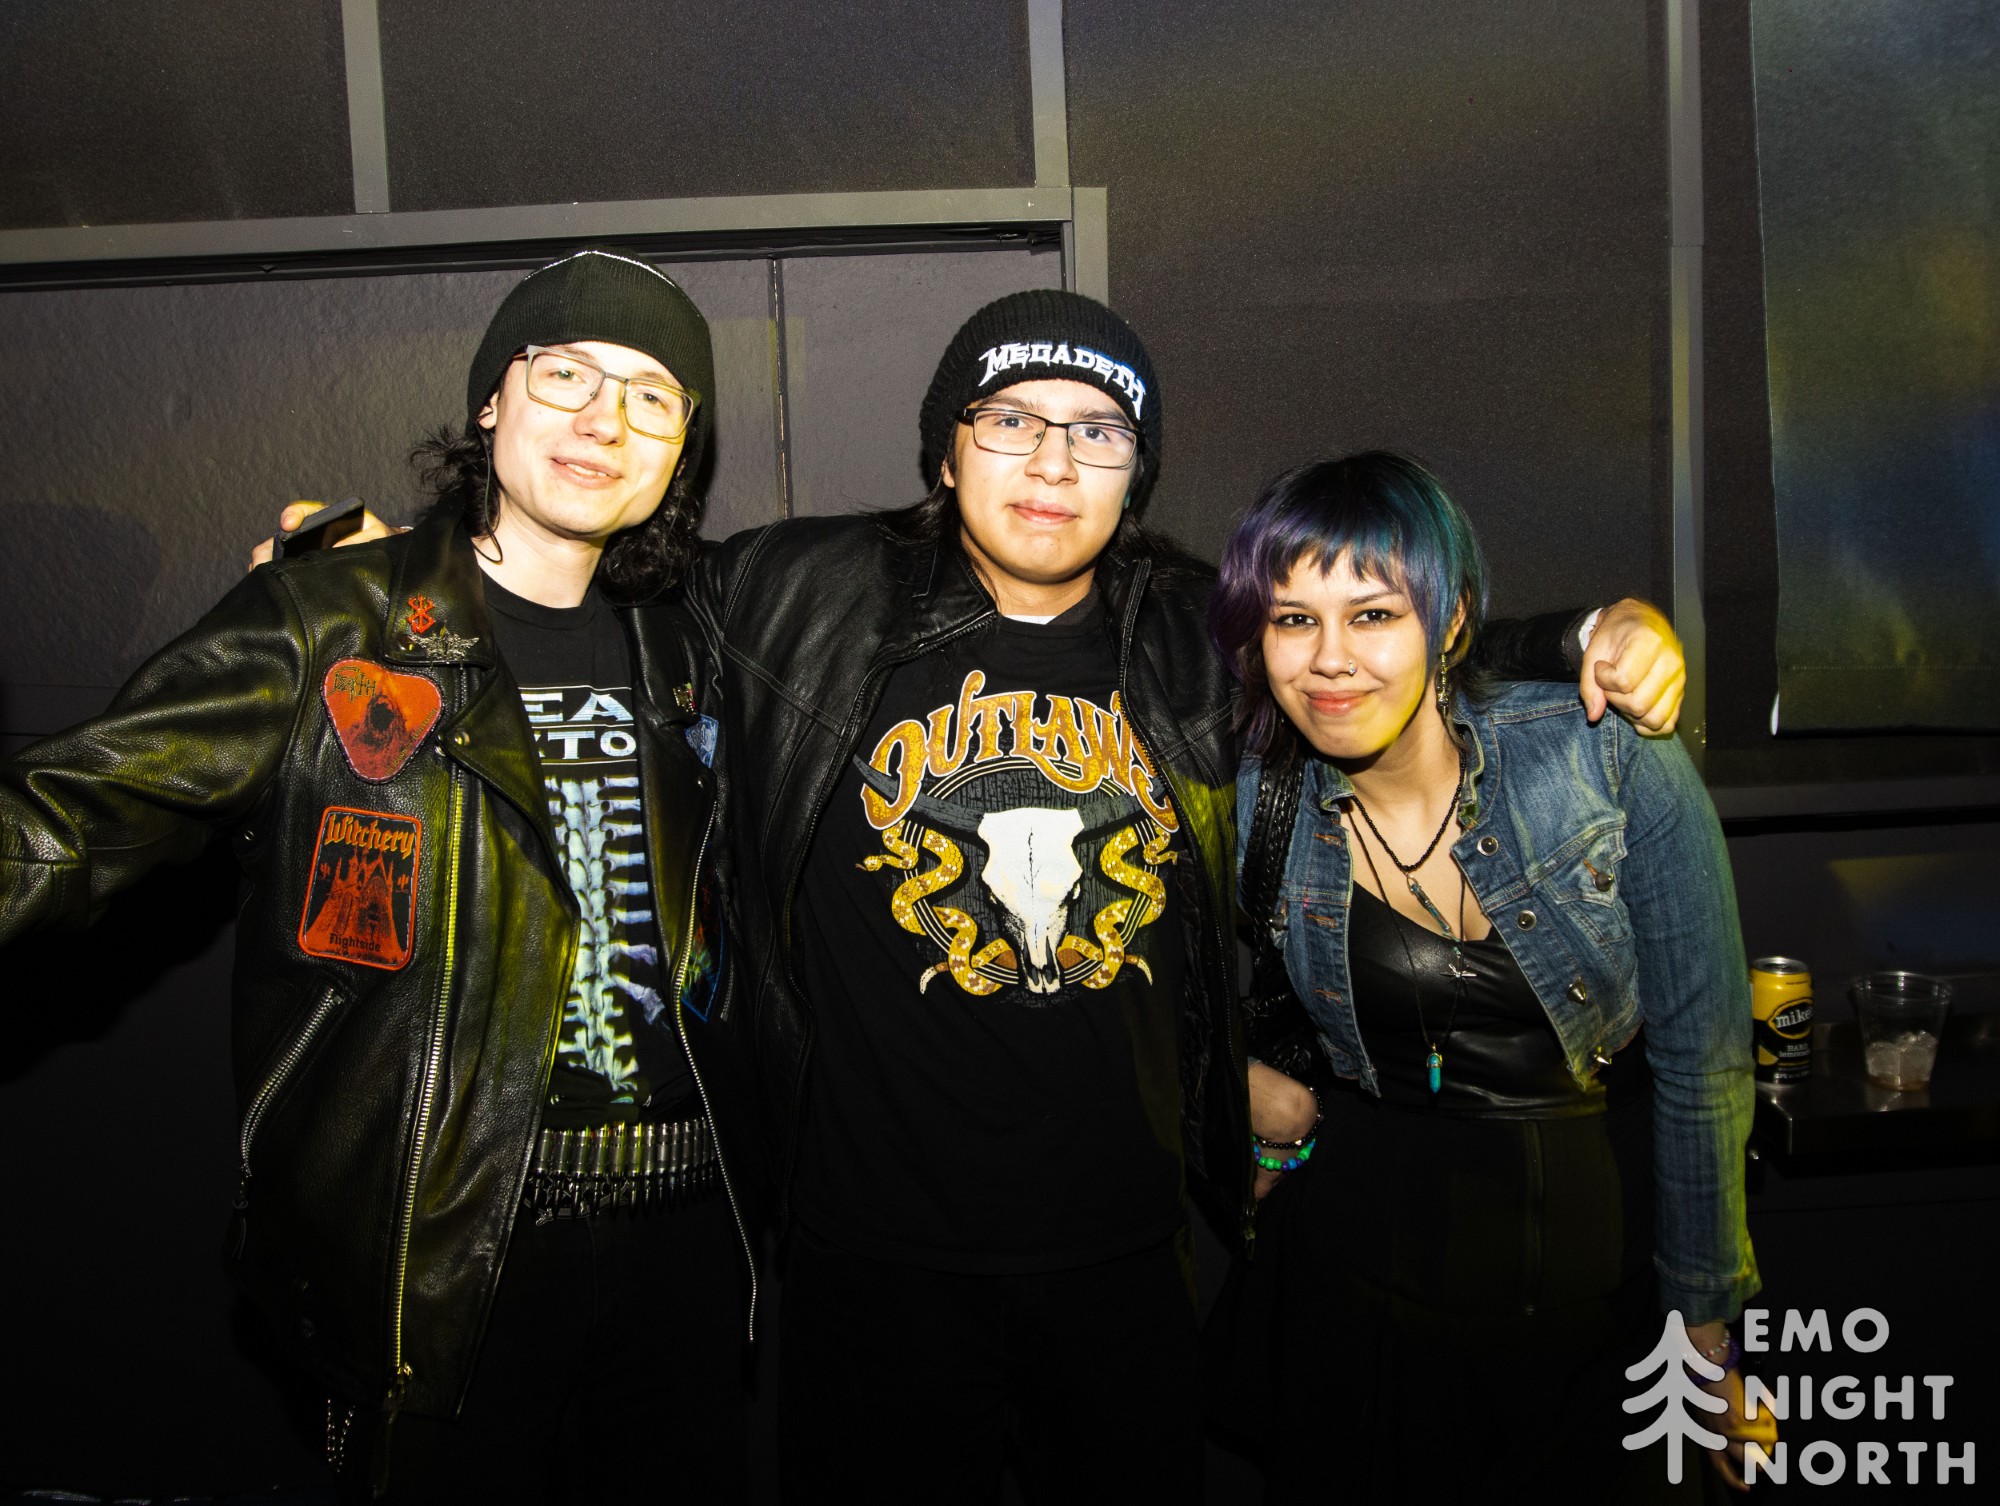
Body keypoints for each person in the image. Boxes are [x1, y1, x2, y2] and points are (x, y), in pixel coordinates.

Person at [682, 291, 1691, 1502]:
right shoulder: (796, 592)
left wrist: (1582, 637)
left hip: (1124, 1248)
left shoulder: (1192, 637)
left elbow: (1373, 651)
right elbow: (599, 584)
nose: (1052, 461)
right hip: (868, 1254)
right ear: (945, 453)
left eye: (1097, 431)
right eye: (1009, 419)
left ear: (1135, 475)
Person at [0, 249, 757, 1503]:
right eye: (565, 374)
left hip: (688, 1245)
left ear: (681, 449)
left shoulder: (701, 644)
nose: (602, 419)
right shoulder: (329, 622)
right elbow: (71, 815)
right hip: (441, 1240)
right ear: (490, 402)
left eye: (650, 396)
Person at [1205, 452, 1773, 1501]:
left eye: (1374, 615)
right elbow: (1126, 977)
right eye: (1292, 620)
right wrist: (1231, 1080)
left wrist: (1704, 1331)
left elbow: (1704, 1061)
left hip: (1595, 1317)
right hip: (1361, 1312)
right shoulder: (1252, 800)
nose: (1329, 660)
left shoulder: (1602, 757)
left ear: (1451, 620)